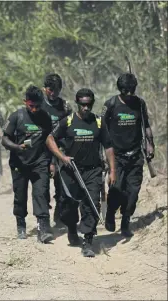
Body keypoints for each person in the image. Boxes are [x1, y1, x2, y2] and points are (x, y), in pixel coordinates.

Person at [46, 88, 116, 257]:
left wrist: (113, 170)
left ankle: (88, 240)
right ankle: (71, 227)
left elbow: (108, 147)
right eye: (83, 105)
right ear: (77, 104)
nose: (86, 108)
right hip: (70, 171)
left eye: (89, 104)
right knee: (67, 206)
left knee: (91, 204)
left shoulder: (99, 122)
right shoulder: (67, 122)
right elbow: (49, 139)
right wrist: (62, 157)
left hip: (93, 171)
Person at [102, 73, 155, 237]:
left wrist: (150, 144)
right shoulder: (110, 104)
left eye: (132, 90)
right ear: (121, 90)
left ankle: (126, 223)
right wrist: (102, 153)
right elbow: (101, 130)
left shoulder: (139, 104)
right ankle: (110, 213)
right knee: (116, 189)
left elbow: (146, 125)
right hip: (116, 156)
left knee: (132, 192)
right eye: (127, 91)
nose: (130, 94)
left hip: (136, 155)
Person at [1, 85, 53, 243]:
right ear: (25, 102)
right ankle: (21, 225)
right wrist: (16, 147)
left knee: (41, 194)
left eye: (38, 106)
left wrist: (52, 163)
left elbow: (50, 141)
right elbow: (4, 139)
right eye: (32, 106)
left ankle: (42, 229)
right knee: (20, 195)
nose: (35, 109)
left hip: (40, 162)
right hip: (19, 163)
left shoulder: (45, 117)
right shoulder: (16, 116)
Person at [41, 73, 73, 226]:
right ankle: (44, 217)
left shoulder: (65, 107)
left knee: (61, 186)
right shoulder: (38, 104)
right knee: (42, 187)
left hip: (60, 151)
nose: (53, 93)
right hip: (41, 152)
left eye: (57, 90)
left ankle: (59, 216)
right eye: (50, 90)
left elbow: (71, 128)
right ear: (44, 89)